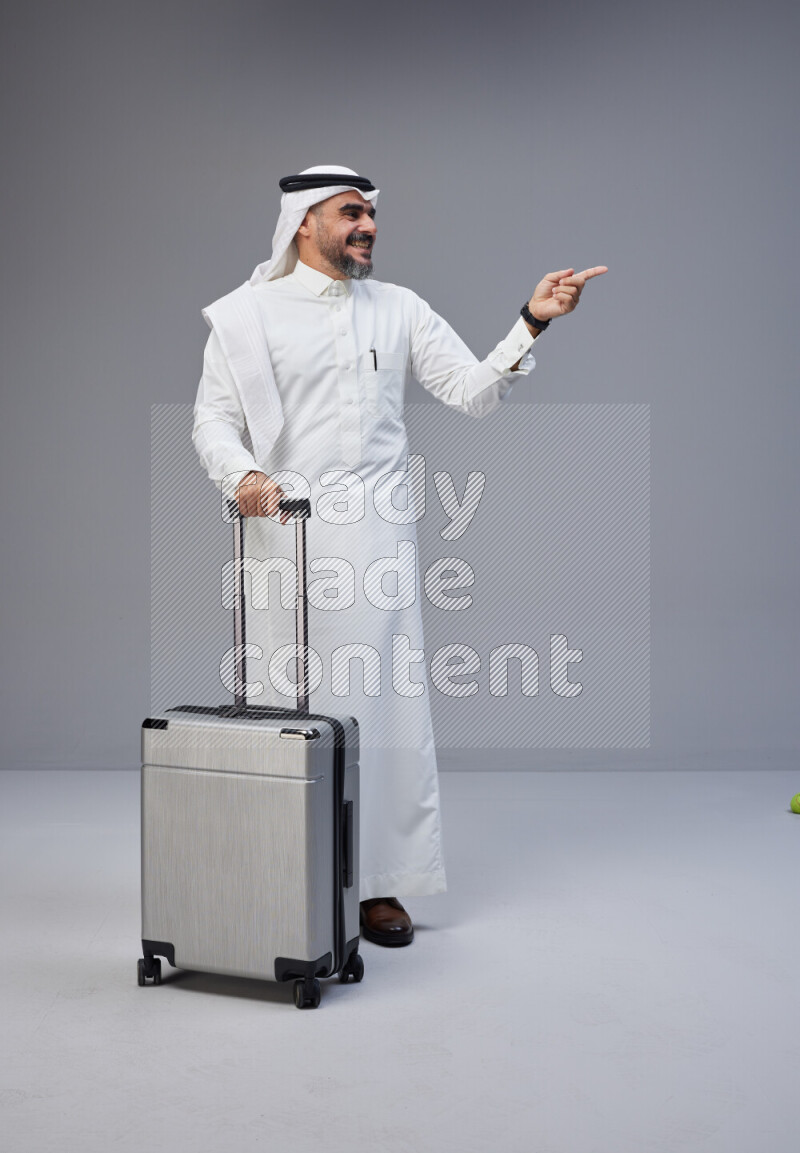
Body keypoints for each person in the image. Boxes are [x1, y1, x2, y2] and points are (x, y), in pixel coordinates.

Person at [192, 165, 607, 947]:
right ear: (305, 221)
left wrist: (532, 321)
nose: (369, 226)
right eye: (353, 213)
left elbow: (473, 391)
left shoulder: (399, 309)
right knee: (287, 708)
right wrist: (239, 473)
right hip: (285, 535)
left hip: (377, 538)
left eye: (373, 215)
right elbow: (211, 420)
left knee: (382, 713)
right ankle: (287, 870)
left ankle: (378, 885)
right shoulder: (247, 316)